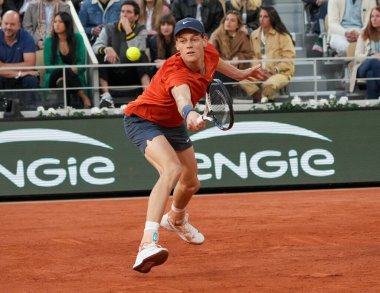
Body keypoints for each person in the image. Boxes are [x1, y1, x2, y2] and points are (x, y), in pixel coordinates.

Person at [124, 17, 266, 273]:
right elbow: (181, 97)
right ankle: (147, 244)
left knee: (191, 183)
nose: (188, 45)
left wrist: (241, 74)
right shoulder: (176, 73)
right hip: (143, 119)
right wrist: (190, 113)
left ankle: (176, 219)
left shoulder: (208, 52)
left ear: (203, 41)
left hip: (172, 123)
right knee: (171, 170)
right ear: (177, 46)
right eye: (182, 41)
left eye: (193, 39)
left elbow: (216, 62)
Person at [93, 0, 150, 107]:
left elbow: (139, 48)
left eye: (128, 12)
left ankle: (148, 95)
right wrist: (106, 49)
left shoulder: (141, 29)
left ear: (136, 16)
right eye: (122, 11)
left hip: (132, 73)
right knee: (100, 55)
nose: (124, 15)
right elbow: (96, 47)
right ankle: (106, 96)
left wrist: (128, 29)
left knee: (142, 56)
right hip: (113, 72)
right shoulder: (109, 28)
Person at [240, 6, 295, 102]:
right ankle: (260, 98)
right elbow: (253, 56)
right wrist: (258, 70)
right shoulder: (254, 35)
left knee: (269, 84)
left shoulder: (283, 36)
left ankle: (263, 101)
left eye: (265, 17)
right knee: (242, 80)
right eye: (260, 16)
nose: (262, 19)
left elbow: (289, 58)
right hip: (260, 72)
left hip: (280, 73)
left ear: (272, 18)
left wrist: (274, 70)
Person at [44, 12, 91, 108]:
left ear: (67, 24)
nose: (56, 24)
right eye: (55, 21)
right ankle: (83, 96)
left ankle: (65, 107)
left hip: (74, 75)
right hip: (54, 76)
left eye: (60, 22)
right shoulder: (49, 41)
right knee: (64, 73)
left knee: (64, 80)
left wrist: (66, 75)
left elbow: (82, 62)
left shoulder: (78, 38)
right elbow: (48, 66)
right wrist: (65, 69)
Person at [0, 10, 40, 110]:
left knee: (31, 80)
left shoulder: (26, 37)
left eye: (12, 24)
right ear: (1, 22)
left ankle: (30, 112)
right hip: (6, 77)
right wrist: (19, 73)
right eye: (6, 23)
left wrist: (3, 66)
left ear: (19, 25)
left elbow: (30, 64)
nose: (8, 27)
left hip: (21, 78)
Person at [209, 10, 252, 96]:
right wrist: (227, 62)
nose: (228, 22)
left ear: (238, 25)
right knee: (222, 75)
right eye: (227, 19)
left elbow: (248, 53)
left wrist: (238, 57)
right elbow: (210, 54)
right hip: (220, 69)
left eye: (232, 20)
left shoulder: (242, 36)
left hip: (237, 68)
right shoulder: (216, 35)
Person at [350, 5, 380, 99]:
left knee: (371, 75)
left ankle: (372, 105)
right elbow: (357, 56)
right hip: (363, 66)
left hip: (375, 70)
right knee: (373, 61)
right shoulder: (364, 34)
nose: (374, 19)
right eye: (372, 16)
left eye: (377, 16)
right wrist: (370, 56)